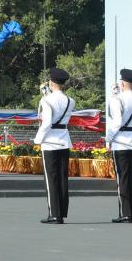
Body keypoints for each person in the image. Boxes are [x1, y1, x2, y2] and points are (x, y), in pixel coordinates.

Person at [105, 68, 132, 223]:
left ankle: (125, 213)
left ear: (122, 83)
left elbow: (116, 121)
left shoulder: (117, 100)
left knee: (122, 178)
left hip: (121, 142)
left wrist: (108, 138)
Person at [34, 67, 75, 224]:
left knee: (51, 179)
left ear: (51, 82)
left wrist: (37, 140)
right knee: (62, 178)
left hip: (50, 142)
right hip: (64, 140)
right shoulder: (71, 101)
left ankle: (54, 214)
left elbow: (47, 123)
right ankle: (62, 212)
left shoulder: (46, 100)